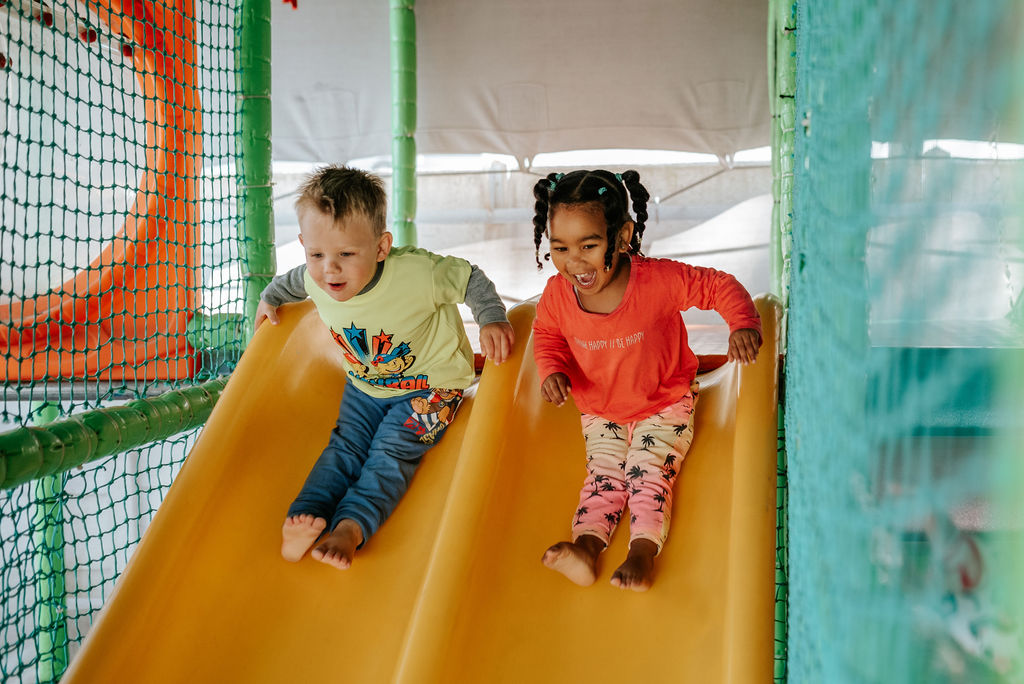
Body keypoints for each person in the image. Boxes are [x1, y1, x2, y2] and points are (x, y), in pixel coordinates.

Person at [257, 165, 515, 570]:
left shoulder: (417, 274)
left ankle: (351, 526)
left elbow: (469, 278)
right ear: (304, 245)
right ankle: (306, 516)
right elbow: (288, 283)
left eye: (346, 254)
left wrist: (491, 318)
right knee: (344, 447)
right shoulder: (312, 277)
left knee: (391, 451)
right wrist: (269, 298)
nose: (330, 268)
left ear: (381, 247)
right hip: (366, 386)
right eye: (317, 254)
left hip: (433, 388)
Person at [530, 169, 761, 592]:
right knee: (602, 476)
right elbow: (547, 334)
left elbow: (718, 286)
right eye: (560, 247)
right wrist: (553, 370)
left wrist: (742, 323)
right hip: (601, 410)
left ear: (622, 236)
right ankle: (587, 547)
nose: (574, 261)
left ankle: (641, 551)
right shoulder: (557, 295)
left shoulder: (657, 281)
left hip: (664, 402)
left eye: (588, 245)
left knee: (647, 471)